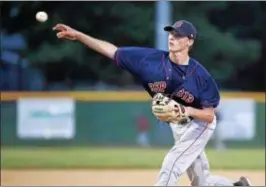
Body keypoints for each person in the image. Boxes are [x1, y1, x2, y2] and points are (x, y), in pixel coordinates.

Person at [53, 20, 252, 186]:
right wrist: (78, 35)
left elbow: (209, 116)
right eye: (171, 33)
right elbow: (111, 51)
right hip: (178, 124)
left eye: (179, 35)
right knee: (201, 182)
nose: (172, 37)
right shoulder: (148, 60)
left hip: (199, 124)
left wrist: (185, 109)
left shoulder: (201, 77)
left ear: (190, 41)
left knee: (171, 165)